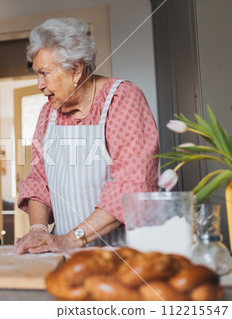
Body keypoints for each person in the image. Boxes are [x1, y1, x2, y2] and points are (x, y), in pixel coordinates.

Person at [15, 17, 159, 254]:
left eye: (45, 73)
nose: (39, 84)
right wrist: (39, 230)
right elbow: (39, 181)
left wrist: (72, 239)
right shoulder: (47, 113)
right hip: (63, 253)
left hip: (124, 253)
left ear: (76, 70)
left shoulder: (122, 99)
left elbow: (133, 186)